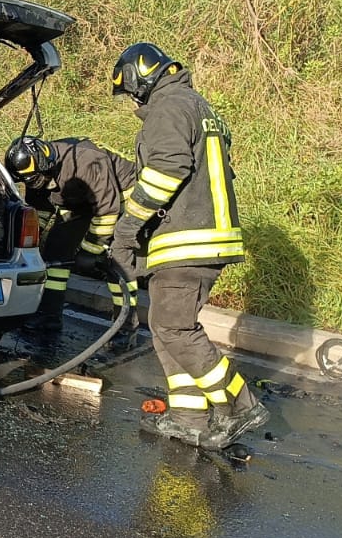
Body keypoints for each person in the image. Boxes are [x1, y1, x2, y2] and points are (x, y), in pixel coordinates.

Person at [108, 42, 267, 449]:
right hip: (197, 237)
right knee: (164, 330)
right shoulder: (198, 106)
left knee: (176, 328)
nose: (132, 100)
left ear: (139, 79)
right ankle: (189, 417)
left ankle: (240, 403)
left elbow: (166, 170)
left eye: (130, 91)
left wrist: (127, 229)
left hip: (187, 240)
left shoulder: (169, 108)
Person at [3, 135, 139, 338]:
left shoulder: (87, 161)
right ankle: (49, 316)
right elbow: (40, 211)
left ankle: (126, 327)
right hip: (79, 203)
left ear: (46, 165)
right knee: (56, 253)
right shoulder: (36, 176)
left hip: (119, 200)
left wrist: (91, 250)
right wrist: (26, 240)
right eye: (28, 182)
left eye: (37, 180)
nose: (35, 185)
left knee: (115, 260)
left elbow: (106, 212)